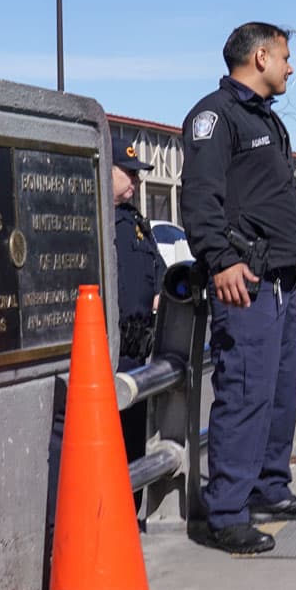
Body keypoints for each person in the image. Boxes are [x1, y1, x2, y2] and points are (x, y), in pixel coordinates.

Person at [181, 22, 296, 555]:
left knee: (281, 394)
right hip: (247, 283)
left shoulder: (263, 120)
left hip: (282, 281)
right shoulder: (216, 118)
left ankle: (269, 489)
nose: (289, 67)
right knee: (244, 395)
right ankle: (227, 514)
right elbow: (200, 198)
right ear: (260, 57)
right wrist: (220, 260)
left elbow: (273, 194)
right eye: (285, 58)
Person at [112, 152, 166, 459]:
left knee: (134, 447)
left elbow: (159, 270)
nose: (136, 179)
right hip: (110, 355)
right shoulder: (94, 218)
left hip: (137, 352)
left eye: (138, 174)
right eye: (129, 172)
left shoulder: (136, 221)